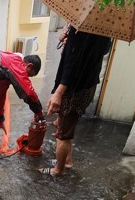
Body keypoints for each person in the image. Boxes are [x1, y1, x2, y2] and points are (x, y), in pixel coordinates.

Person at [42, 26, 112, 176]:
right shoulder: (104, 31)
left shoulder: (81, 30)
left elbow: (72, 65)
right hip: (88, 86)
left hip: (74, 90)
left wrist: (58, 93)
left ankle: (58, 170)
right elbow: (91, 53)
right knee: (67, 125)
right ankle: (66, 161)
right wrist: (70, 43)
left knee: (63, 134)